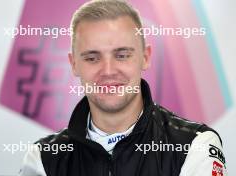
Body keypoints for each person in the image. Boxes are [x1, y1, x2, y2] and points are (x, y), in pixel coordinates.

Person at [19, 0, 227, 175]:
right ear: (74, 64)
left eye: (122, 55)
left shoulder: (195, 145)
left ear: (145, 57)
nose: (108, 70)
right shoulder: (43, 157)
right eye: (92, 58)